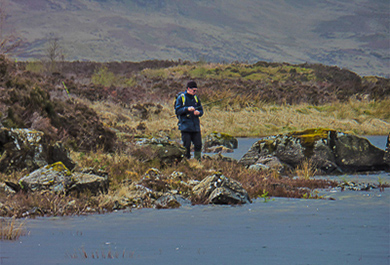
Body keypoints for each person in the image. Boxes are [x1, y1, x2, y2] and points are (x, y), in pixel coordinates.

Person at [175, 80, 204, 160]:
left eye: (196, 91)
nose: (195, 92)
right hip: (185, 127)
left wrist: (198, 113)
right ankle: (186, 162)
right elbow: (177, 111)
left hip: (195, 127)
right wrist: (187, 109)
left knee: (198, 144)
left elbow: (201, 110)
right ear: (188, 89)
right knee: (186, 146)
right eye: (194, 90)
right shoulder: (181, 98)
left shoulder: (196, 98)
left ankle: (198, 161)